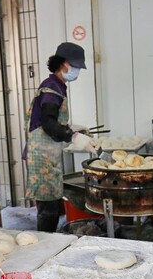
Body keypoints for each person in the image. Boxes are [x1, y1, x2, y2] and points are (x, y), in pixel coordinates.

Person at [24, 42, 98, 232]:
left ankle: (48, 241)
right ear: (64, 63)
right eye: (75, 67)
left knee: (52, 205)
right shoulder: (51, 88)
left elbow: (49, 119)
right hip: (41, 156)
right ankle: (45, 245)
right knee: (48, 209)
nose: (77, 72)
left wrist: (74, 129)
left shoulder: (57, 86)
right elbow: (48, 124)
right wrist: (73, 137)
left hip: (47, 154)